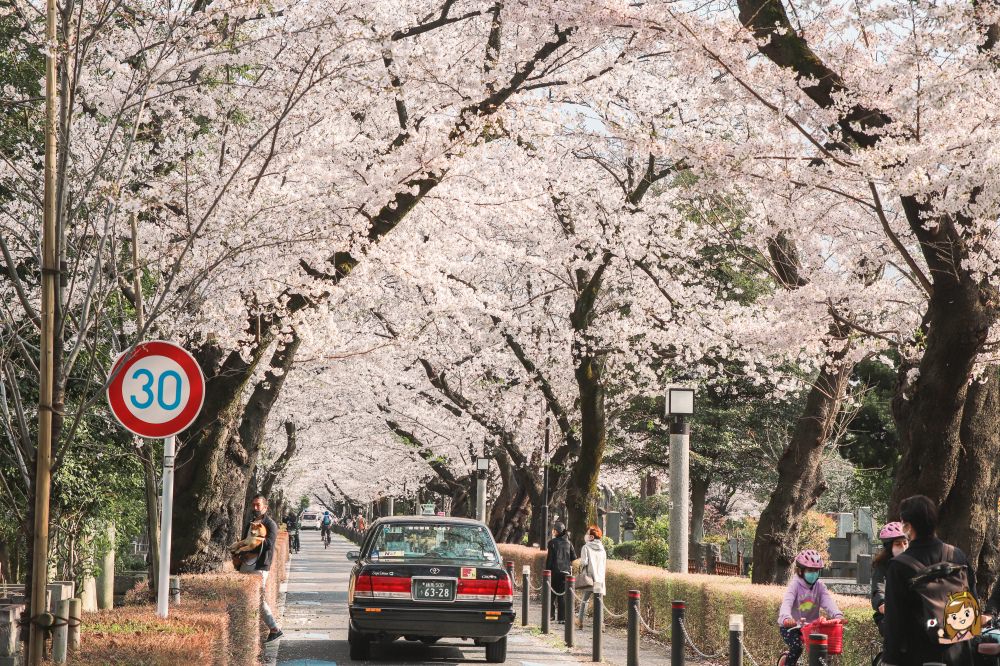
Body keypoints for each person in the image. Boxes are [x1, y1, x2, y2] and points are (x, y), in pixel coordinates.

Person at [883, 494, 976, 666]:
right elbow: (973, 599)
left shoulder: (899, 565)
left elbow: (895, 619)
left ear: (908, 526)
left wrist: (890, 658)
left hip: (918, 653)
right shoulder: (957, 555)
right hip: (959, 650)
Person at [777, 549, 845, 666]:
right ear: (800, 571)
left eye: (816, 571)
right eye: (810, 570)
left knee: (823, 650)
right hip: (791, 627)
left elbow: (828, 601)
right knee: (797, 647)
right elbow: (787, 602)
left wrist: (837, 615)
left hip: (811, 626)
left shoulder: (820, 586)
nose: (813, 573)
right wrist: (786, 618)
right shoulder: (795, 585)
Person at [241, 494, 283, 643]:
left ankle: (274, 628)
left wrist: (251, 549)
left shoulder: (270, 524)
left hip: (259, 566)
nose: (255, 508)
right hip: (246, 564)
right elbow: (244, 541)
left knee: (258, 598)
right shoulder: (250, 522)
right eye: (254, 505)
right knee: (243, 596)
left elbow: (269, 544)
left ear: (265, 507)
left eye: (258, 505)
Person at [872, 521, 908, 636]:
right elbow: (878, 589)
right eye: (898, 544)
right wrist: (882, 603)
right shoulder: (882, 566)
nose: (903, 547)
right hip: (892, 616)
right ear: (889, 547)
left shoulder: (915, 563)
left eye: (905, 543)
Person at [544, 522, 576, 623]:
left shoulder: (552, 543)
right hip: (565, 572)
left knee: (551, 594)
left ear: (557, 531)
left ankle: (551, 615)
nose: (553, 532)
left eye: (554, 530)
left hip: (554, 572)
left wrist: (547, 572)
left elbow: (549, 560)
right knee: (562, 596)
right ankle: (562, 618)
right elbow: (573, 557)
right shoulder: (569, 543)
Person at [576, 525, 607, 629]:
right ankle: (601, 625)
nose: (586, 535)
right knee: (600, 603)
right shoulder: (602, 549)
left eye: (588, 533)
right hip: (600, 579)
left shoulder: (586, 547)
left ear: (592, 537)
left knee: (585, 600)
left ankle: (580, 621)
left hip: (589, 578)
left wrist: (580, 564)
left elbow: (584, 562)